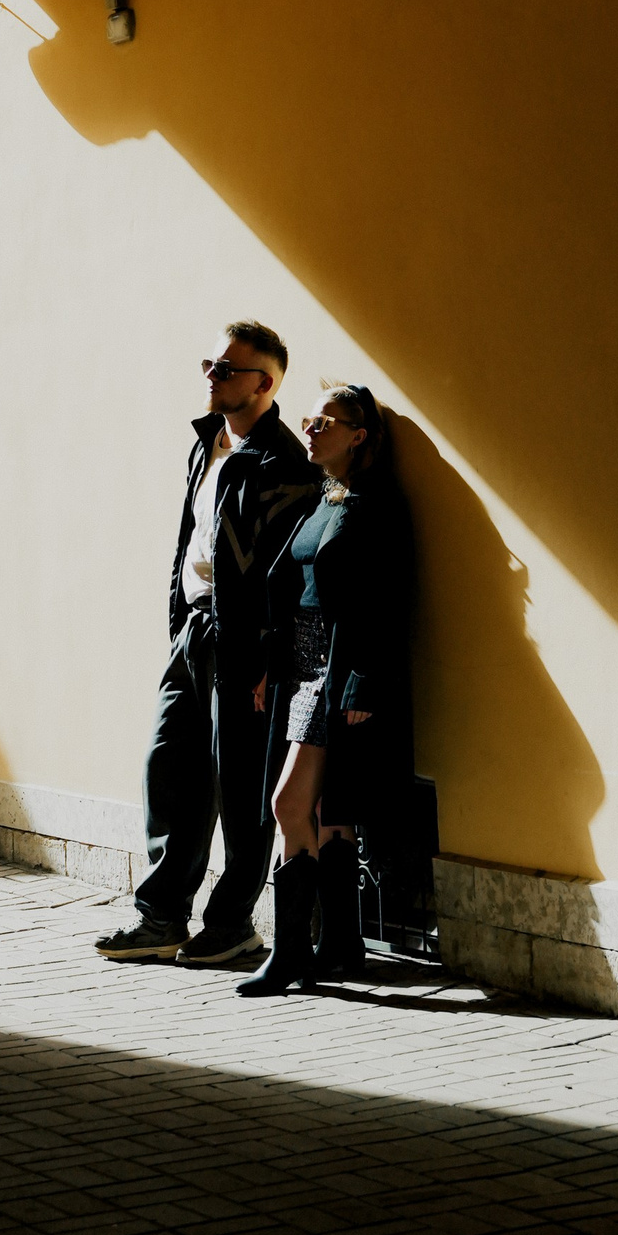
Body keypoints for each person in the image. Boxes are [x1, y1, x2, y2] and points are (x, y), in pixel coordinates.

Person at [96, 323, 318, 965]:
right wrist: (179, 616)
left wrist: (269, 658)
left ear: (264, 383)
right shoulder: (207, 444)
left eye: (226, 369)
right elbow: (192, 541)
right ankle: (161, 917)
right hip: (194, 631)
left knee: (242, 788)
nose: (211, 377)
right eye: (209, 365)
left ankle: (233, 923)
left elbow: (287, 574)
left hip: (245, 645)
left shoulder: (283, 464)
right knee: (168, 768)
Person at [238, 381, 415, 999]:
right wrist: (272, 665)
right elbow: (293, 590)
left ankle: (290, 953)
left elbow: (388, 601)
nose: (310, 429)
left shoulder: (377, 504)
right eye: (310, 419)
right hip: (304, 666)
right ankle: (340, 943)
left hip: (340, 668)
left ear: (358, 435)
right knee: (327, 811)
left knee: (289, 804)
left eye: (325, 422)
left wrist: (363, 680)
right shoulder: (326, 496)